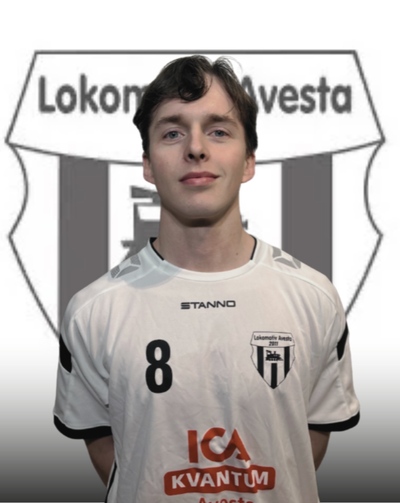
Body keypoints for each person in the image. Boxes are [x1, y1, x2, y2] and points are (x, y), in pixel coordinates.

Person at [54, 55, 360, 503]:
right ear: (147, 165)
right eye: (172, 133)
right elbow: (107, 445)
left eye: (218, 131)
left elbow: (303, 442)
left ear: (249, 161)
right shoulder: (93, 310)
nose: (196, 148)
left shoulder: (314, 298)